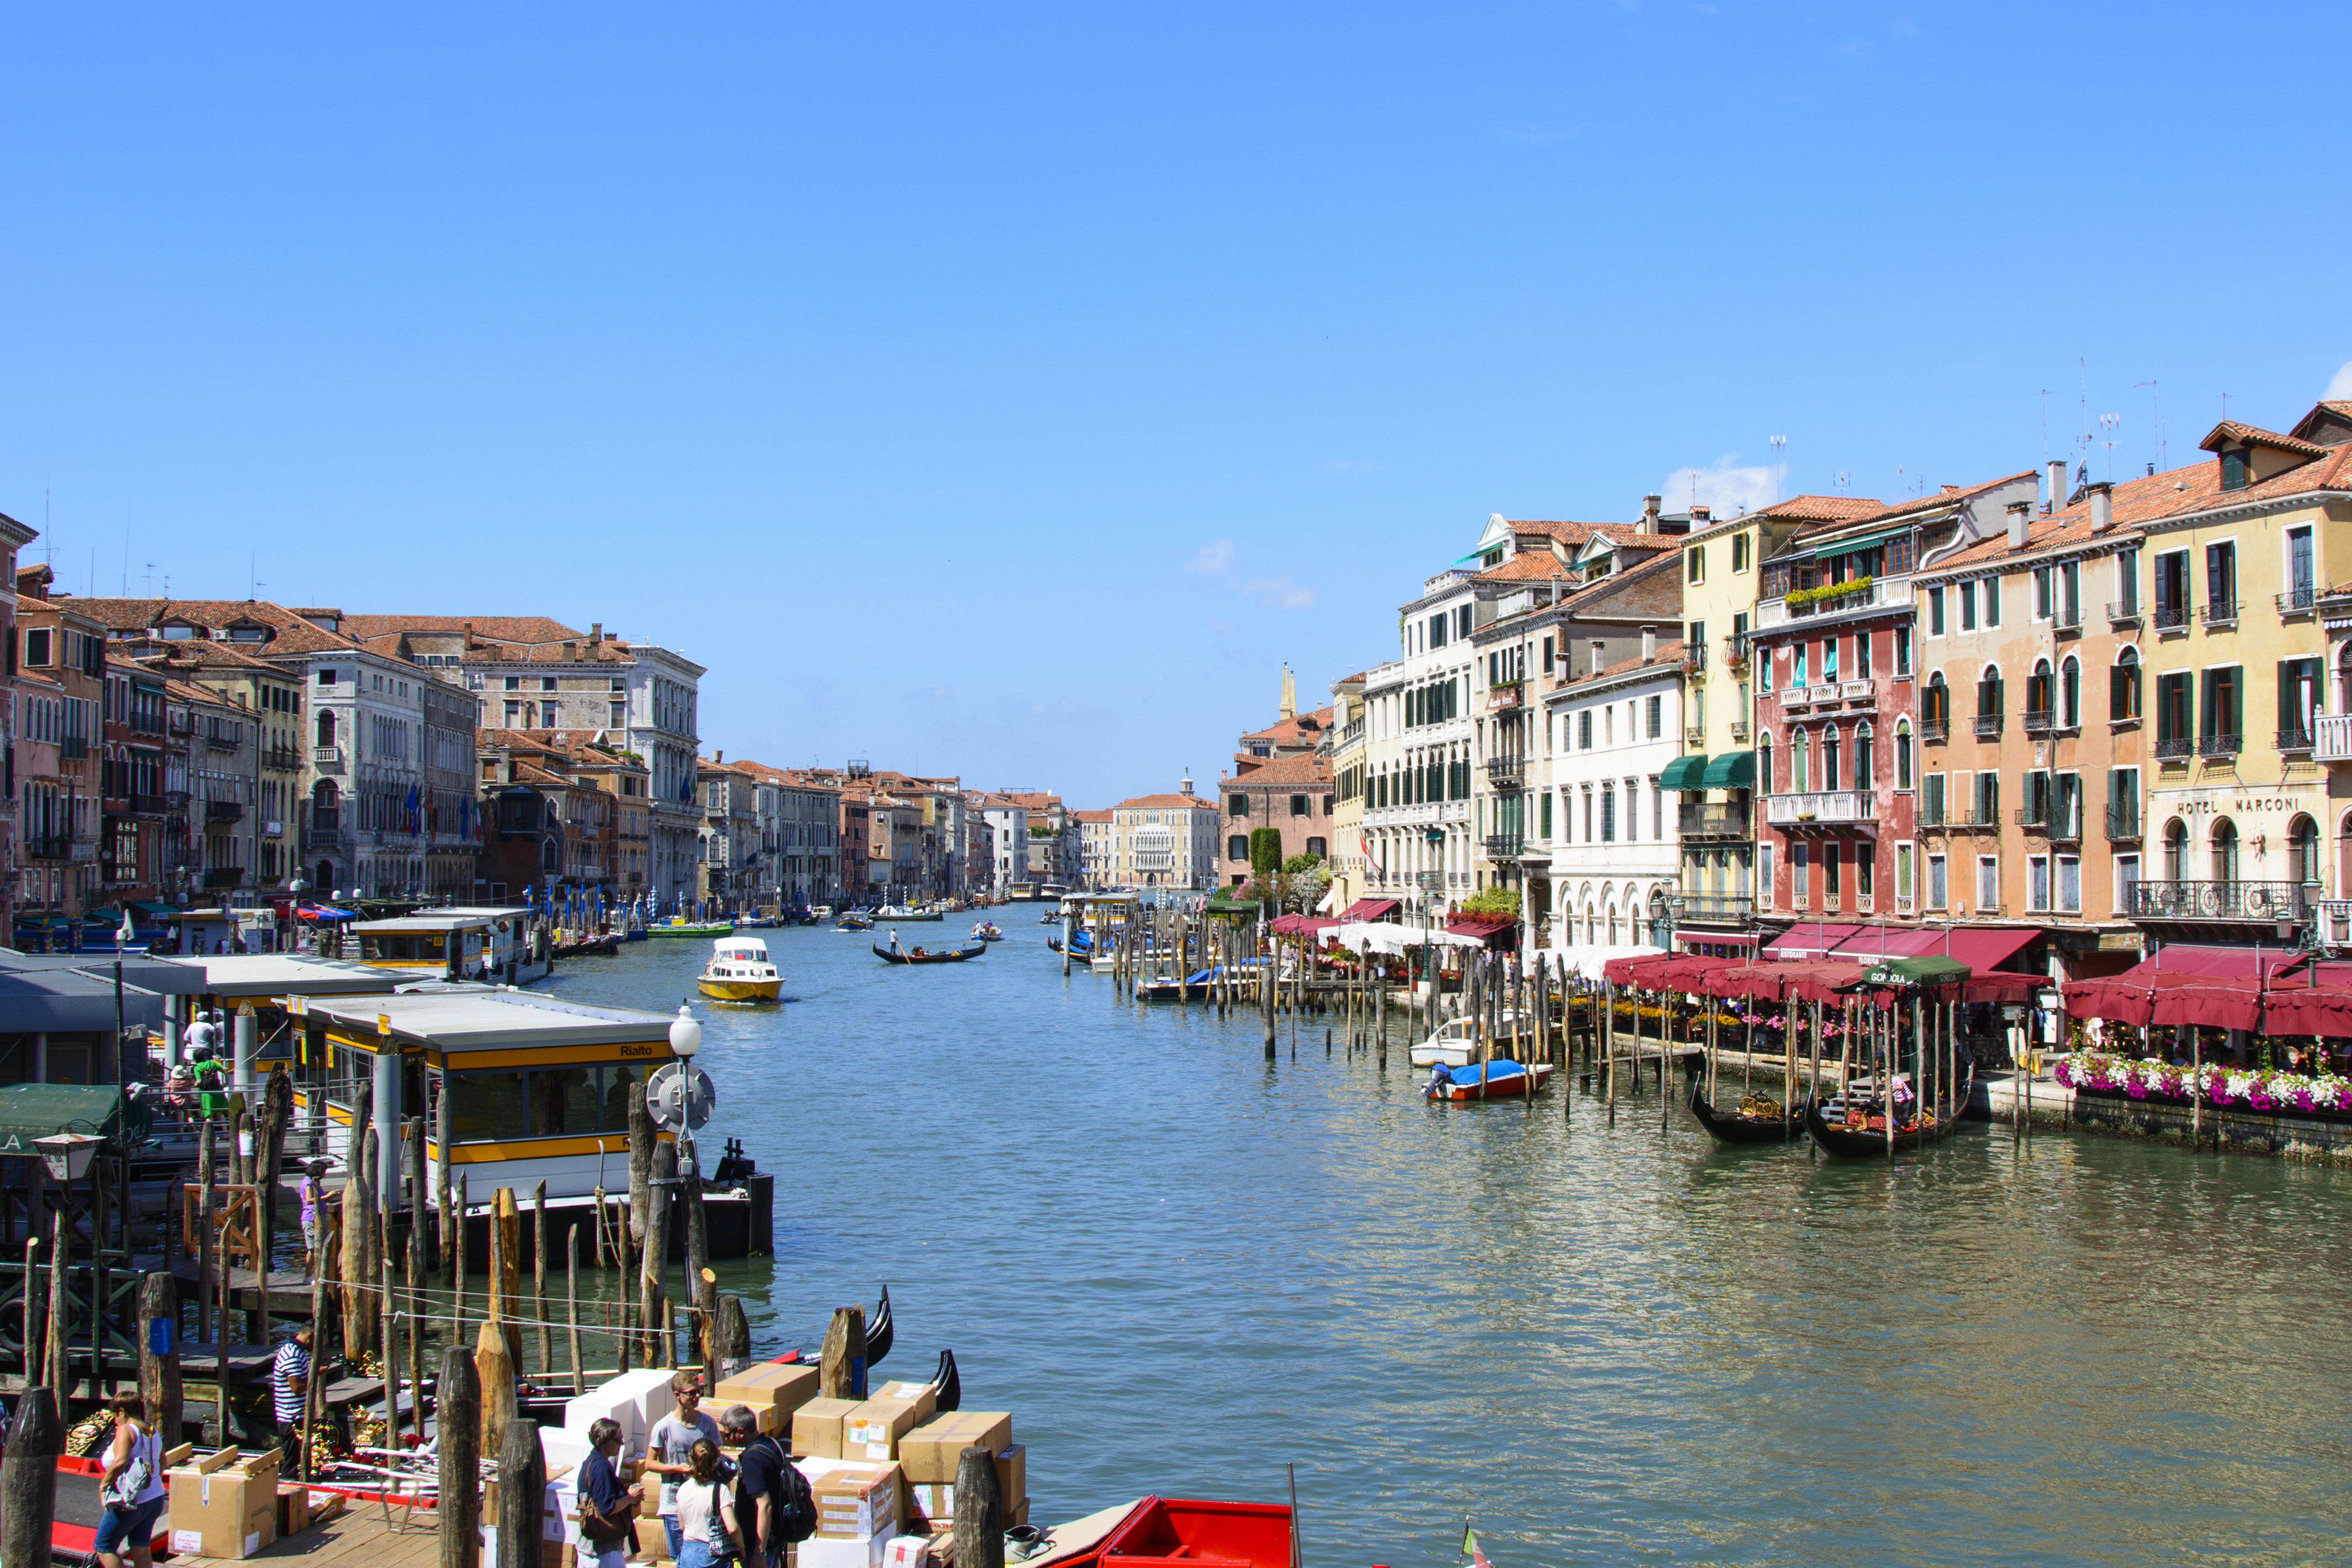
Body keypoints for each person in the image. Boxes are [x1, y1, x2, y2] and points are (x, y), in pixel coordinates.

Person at [644, 1370, 723, 1559]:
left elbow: (718, 1455)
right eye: (691, 1393)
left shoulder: (707, 1423)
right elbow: (649, 1463)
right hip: (674, 1504)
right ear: (677, 1396)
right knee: (679, 1559)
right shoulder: (664, 1426)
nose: (697, 1396)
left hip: (704, 1503)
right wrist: (678, 1469)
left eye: (699, 1391)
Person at [719, 1404, 808, 1568]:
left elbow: (765, 1504)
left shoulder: (753, 1458)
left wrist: (760, 1553)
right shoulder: (772, 1443)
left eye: (727, 1435)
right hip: (775, 1538)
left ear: (740, 1432)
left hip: (760, 1545)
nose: (726, 1439)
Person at [95, 1391, 167, 1568]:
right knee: (141, 1549)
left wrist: (104, 1486)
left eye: (115, 1416)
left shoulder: (126, 1430)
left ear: (122, 1412)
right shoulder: (152, 1430)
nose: (115, 1421)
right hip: (156, 1498)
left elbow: (120, 1461)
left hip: (132, 1501)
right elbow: (163, 1460)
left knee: (104, 1547)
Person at [578, 1417, 643, 1568]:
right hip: (603, 1552)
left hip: (591, 1550)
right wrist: (630, 1497)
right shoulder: (601, 1467)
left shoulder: (591, 1463)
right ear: (604, 1440)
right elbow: (607, 1508)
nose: (622, 1444)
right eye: (618, 1440)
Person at [673, 1437, 739, 1568]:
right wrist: (741, 1549)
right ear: (715, 1461)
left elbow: (682, 1526)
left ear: (691, 1459)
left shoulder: (683, 1489)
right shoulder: (720, 1491)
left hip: (688, 1554)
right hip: (713, 1556)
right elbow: (733, 1529)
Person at [271, 1325, 312, 1469]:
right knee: (291, 1464)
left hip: (297, 1416)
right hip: (291, 1419)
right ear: (311, 1336)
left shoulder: (297, 1352)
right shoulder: (292, 1355)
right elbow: (296, 1389)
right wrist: (316, 1374)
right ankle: (290, 1488)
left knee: (298, 1460)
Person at [298, 1161, 327, 1277]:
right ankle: (308, 1276)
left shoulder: (314, 1182)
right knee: (313, 1249)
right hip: (311, 1219)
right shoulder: (309, 1182)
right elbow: (309, 1199)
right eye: (323, 1172)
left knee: (321, 1246)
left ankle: (319, 1274)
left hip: (318, 1219)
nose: (324, 1175)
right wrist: (327, 1197)